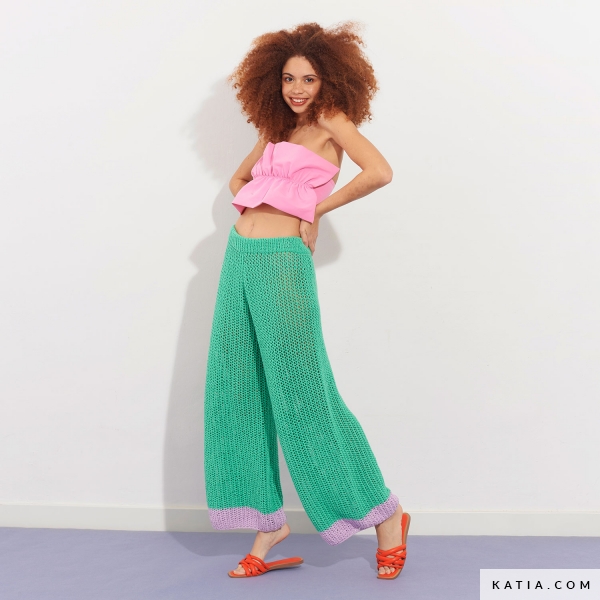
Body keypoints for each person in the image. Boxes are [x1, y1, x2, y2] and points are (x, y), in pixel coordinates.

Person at [204, 21, 410, 580]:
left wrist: (314, 208)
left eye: (309, 79)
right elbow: (238, 183)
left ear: (329, 81)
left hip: (282, 263)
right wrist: (264, 202)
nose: (297, 89)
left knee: (303, 393)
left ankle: (386, 515)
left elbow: (380, 172)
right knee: (237, 385)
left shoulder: (331, 121)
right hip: (240, 257)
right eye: (289, 78)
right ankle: (268, 525)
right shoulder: (277, 126)